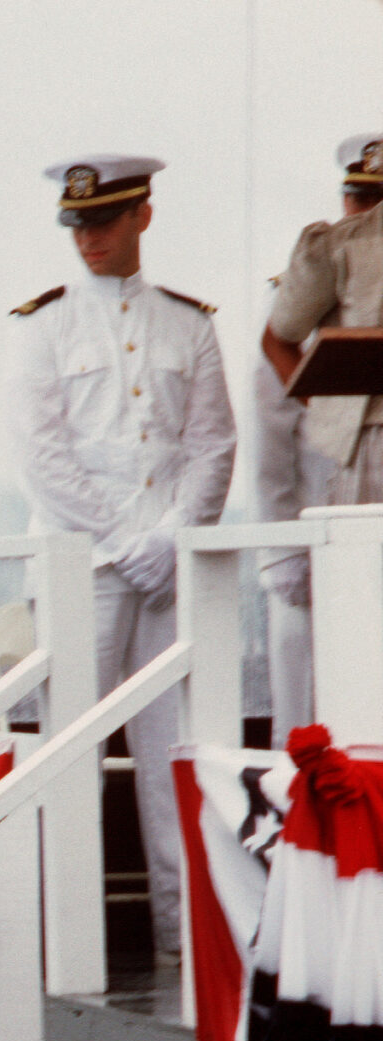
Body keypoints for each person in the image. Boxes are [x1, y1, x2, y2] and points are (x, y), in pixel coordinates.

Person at [8, 152, 237, 960]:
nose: (89, 238)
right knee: (71, 751)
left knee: (175, 755)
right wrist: (123, 543)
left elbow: (214, 445)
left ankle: (188, 946)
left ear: (142, 214)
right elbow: (43, 458)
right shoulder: (44, 325)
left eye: (104, 220)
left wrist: (170, 539)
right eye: (77, 224)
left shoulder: (190, 323)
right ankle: (63, 951)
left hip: (171, 569)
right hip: (85, 569)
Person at [253, 134, 381, 740]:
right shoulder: (306, 286)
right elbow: (272, 441)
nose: (363, 218)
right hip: (313, 519)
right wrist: (280, 550)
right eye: (357, 200)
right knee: (309, 704)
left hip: (351, 503)